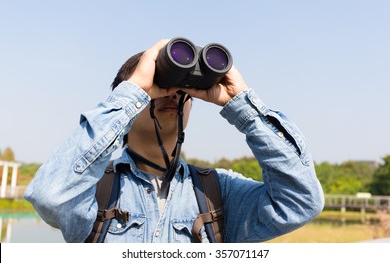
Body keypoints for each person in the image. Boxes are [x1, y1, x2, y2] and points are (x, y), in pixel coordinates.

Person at [25, 39, 324, 243]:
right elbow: (51, 195)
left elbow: (300, 202)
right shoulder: (97, 191)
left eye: (183, 91)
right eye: (158, 85)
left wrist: (242, 104)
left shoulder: (216, 193)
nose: (172, 94)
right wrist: (134, 92)